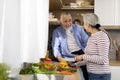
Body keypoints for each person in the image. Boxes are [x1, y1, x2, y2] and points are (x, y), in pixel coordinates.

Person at [52, 12, 89, 80]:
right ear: (61, 21)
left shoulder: (78, 28)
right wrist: (60, 58)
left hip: (80, 54)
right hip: (67, 56)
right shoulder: (57, 31)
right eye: (65, 21)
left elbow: (87, 41)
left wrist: (86, 53)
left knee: (85, 75)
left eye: (70, 20)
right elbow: (55, 47)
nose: (68, 23)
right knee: (69, 77)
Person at [75, 13, 111, 80]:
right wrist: (76, 64)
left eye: (84, 24)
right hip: (93, 75)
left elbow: (102, 60)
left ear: (88, 25)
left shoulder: (101, 36)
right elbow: (90, 59)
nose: (83, 26)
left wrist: (82, 56)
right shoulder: (92, 37)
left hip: (100, 76)